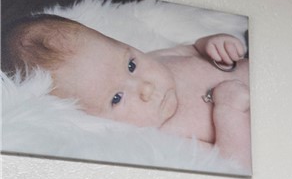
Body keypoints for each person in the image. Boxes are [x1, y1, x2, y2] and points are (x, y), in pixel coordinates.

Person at [3, 15, 250, 166]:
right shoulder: (166, 138)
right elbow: (235, 163)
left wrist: (213, 44)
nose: (145, 88)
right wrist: (229, 110)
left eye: (131, 65)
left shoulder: (159, 59)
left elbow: (193, 49)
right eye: (117, 98)